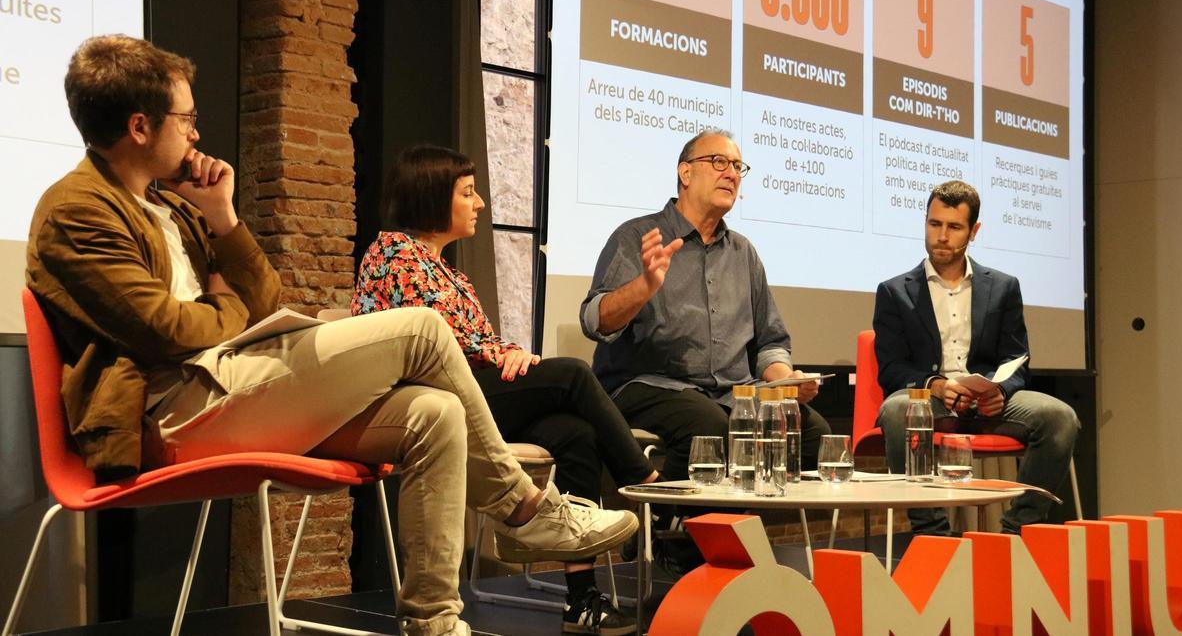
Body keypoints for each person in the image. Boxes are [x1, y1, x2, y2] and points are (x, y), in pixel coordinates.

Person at [26, 35, 636, 636]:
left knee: (435, 411)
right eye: (186, 118)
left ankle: (434, 621)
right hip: (172, 411)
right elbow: (166, 331)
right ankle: (522, 510)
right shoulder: (77, 209)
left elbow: (265, 301)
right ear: (139, 126)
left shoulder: (179, 206)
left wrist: (224, 218)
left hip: (232, 380)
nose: (195, 133)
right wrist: (224, 303)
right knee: (422, 329)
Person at [352, 144, 658, 636]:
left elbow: (478, 341)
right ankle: (645, 488)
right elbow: (430, 345)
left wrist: (508, 352)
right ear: (432, 198)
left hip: (472, 390)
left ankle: (581, 600)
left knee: (574, 433)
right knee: (574, 375)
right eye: (468, 193)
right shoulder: (393, 254)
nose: (480, 204)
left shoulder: (449, 270)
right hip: (430, 401)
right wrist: (498, 355)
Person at [580, 129, 831, 571]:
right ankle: (689, 540)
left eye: (737, 166)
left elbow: (771, 342)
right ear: (685, 172)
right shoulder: (637, 236)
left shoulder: (744, 253)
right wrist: (645, 285)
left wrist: (784, 382)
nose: (731, 173)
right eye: (719, 162)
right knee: (710, 426)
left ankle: (692, 535)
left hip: (731, 392)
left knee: (811, 431)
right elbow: (595, 320)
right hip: (645, 385)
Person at [872, 179, 1080, 535]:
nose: (941, 235)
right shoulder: (894, 292)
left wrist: (1001, 390)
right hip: (933, 402)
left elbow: (1017, 357)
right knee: (895, 410)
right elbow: (891, 368)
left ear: (974, 230)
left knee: (1061, 418)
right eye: (934, 224)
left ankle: (1017, 530)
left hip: (989, 403)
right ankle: (933, 533)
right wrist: (935, 385)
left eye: (954, 227)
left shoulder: (1002, 287)